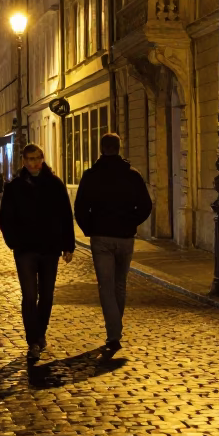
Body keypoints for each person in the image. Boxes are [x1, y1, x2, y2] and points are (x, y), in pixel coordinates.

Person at [74, 133, 153, 354]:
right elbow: (146, 206)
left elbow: (80, 208)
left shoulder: (91, 175)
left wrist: (90, 228)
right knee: (120, 284)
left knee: (106, 286)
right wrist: (131, 222)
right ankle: (115, 328)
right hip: (125, 237)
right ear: (119, 148)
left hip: (101, 237)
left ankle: (114, 332)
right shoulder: (132, 175)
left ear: (101, 149)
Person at [0, 144, 75, 363]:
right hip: (25, 250)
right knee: (30, 295)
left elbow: (65, 215)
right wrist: (14, 242)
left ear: (42, 159)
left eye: (37, 158)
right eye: (30, 159)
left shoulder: (54, 184)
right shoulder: (14, 187)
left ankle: (40, 332)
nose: (33, 163)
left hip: (50, 248)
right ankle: (33, 339)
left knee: (47, 295)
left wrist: (68, 245)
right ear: (23, 161)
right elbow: (5, 219)